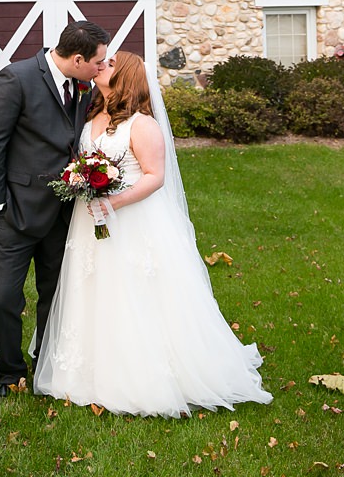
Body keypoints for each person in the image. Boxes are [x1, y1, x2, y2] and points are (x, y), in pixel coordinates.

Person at [33, 50, 273, 415]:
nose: (101, 65)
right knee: (94, 286)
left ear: (126, 76)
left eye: (110, 64)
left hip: (130, 219)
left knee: (131, 290)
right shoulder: (93, 113)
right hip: (89, 218)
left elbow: (155, 177)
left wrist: (113, 202)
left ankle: (138, 373)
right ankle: (87, 370)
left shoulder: (142, 124)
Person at [0, 20, 111, 397]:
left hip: (65, 214)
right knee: (3, 298)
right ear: (78, 59)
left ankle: (46, 368)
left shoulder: (85, 86)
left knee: (56, 295)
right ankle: (9, 373)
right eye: (98, 62)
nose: (102, 69)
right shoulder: (15, 78)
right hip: (15, 212)